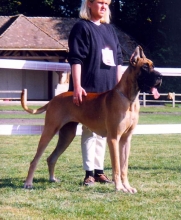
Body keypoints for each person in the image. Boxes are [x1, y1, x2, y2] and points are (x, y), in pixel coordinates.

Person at [68, 0, 123, 186]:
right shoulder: (81, 27)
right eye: (99, 2)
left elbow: (118, 60)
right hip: (88, 88)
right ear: (89, 4)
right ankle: (89, 173)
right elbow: (76, 58)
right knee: (89, 130)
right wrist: (77, 86)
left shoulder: (110, 30)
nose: (104, 6)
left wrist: (119, 87)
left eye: (106, 3)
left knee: (105, 131)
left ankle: (100, 171)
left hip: (108, 90)